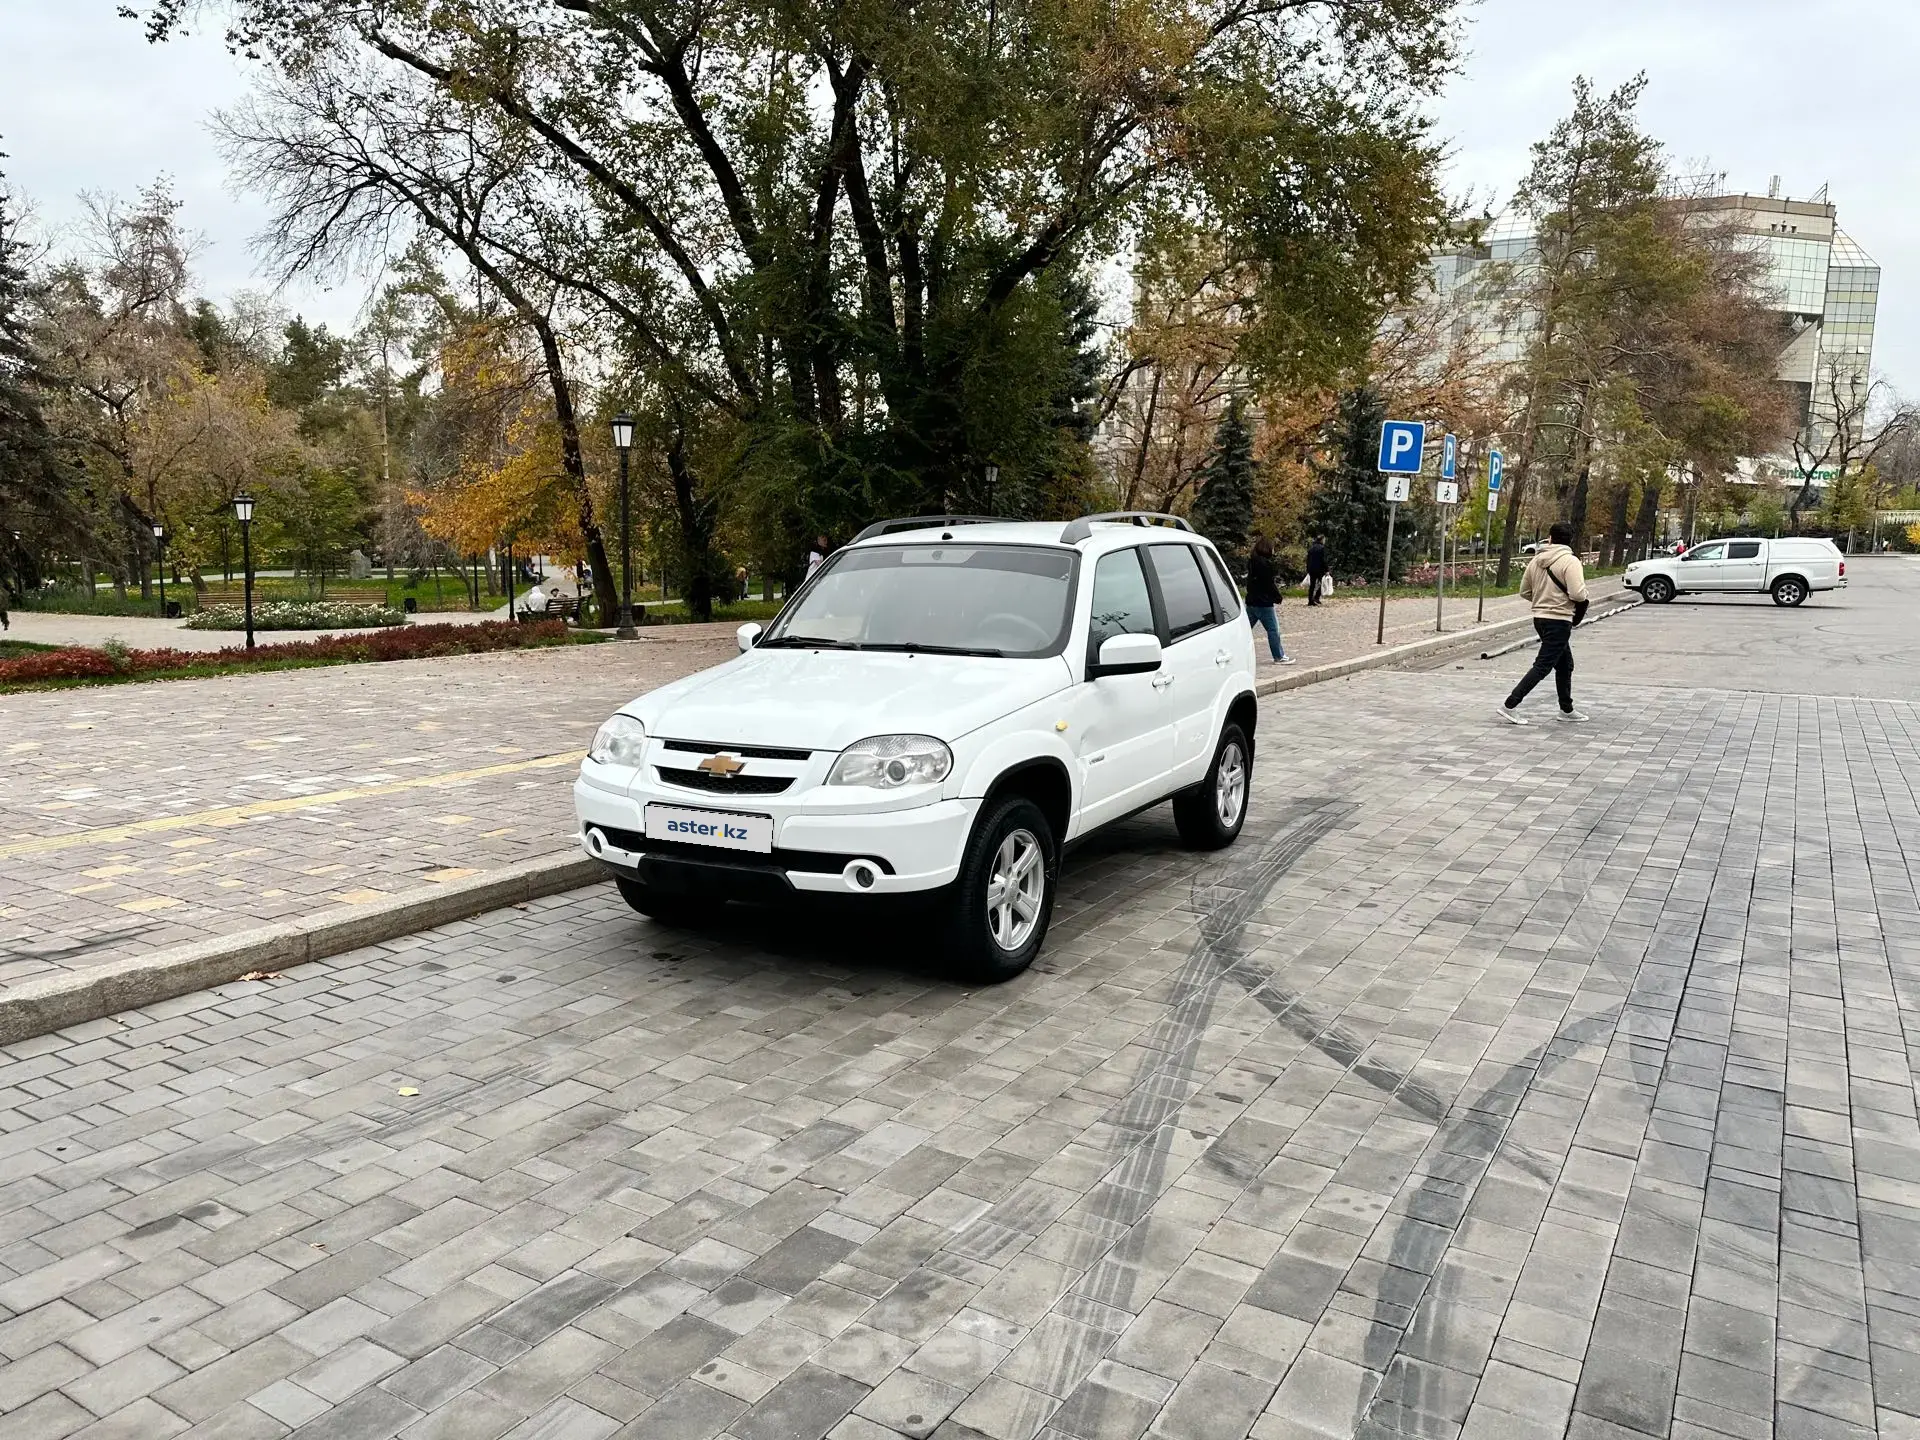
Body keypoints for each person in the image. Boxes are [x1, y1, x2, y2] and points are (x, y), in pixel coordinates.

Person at [1499, 521, 1589, 725]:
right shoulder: (1570, 561)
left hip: (1540, 618)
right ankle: (1509, 705)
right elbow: (1577, 593)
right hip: (1559, 619)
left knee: (1565, 665)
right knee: (1543, 665)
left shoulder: (1536, 560)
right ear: (1570, 540)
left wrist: (1542, 602)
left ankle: (1566, 710)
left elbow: (1524, 591)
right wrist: (1560, 602)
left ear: (1550, 538)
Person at [1244, 536, 1294, 665]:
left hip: (1252, 600)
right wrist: (1277, 596)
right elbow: (1268, 584)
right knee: (1273, 630)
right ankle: (1278, 656)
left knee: (1244, 629)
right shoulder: (1264, 564)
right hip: (1264, 602)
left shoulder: (1252, 562)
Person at [1305, 537, 1328, 605]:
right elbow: (1323, 560)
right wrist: (1326, 569)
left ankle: (1310, 600)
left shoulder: (1311, 548)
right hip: (1319, 569)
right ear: (1321, 540)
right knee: (1323, 583)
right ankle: (1316, 597)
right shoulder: (1322, 548)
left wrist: (1308, 569)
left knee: (1312, 585)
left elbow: (1308, 559)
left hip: (1311, 569)